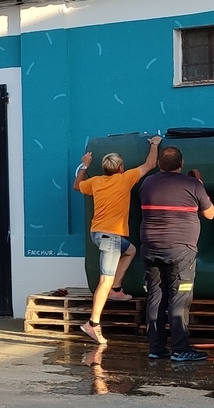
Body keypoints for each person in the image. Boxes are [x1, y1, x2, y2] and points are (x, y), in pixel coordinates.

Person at [73, 135, 162, 344]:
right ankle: (93, 324)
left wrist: (84, 165)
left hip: (98, 234)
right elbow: (150, 164)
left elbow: (77, 185)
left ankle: (116, 289)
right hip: (110, 237)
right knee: (104, 280)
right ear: (121, 168)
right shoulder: (126, 179)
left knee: (130, 250)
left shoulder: (95, 182)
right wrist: (155, 144)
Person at [139, 145, 214, 362]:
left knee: (155, 296)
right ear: (181, 164)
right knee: (179, 298)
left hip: (150, 248)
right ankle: (181, 349)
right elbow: (210, 214)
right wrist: (200, 186)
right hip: (181, 251)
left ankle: (156, 348)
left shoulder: (147, 182)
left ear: (160, 164)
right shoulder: (192, 184)